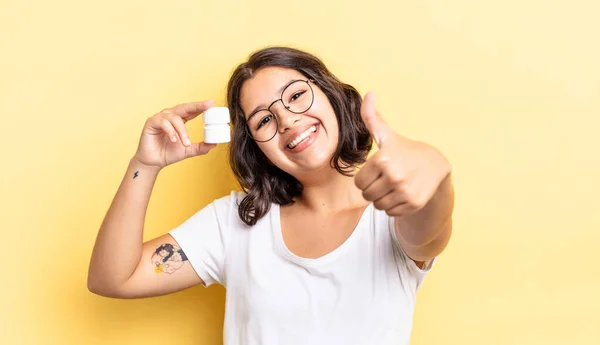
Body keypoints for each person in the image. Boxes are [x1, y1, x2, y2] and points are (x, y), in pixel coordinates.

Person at [87, 46, 455, 344]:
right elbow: (114, 278)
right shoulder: (234, 223)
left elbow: (429, 227)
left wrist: (435, 172)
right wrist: (145, 164)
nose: (288, 121)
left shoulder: (391, 211)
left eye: (296, 96)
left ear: (331, 96)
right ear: (255, 147)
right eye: (264, 119)